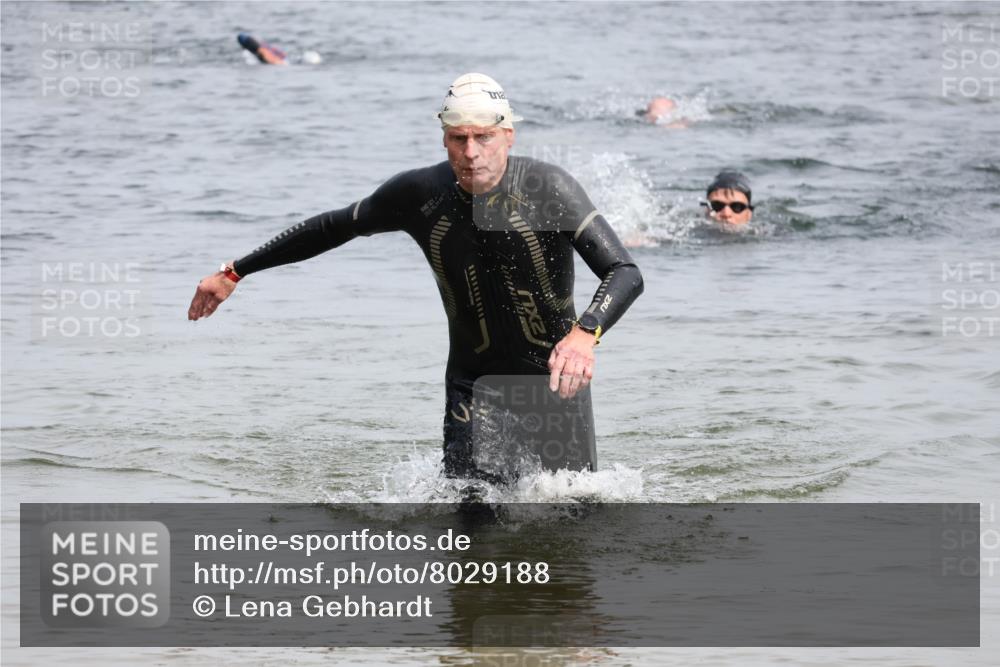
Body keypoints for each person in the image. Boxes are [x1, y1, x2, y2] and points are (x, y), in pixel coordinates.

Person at [187, 73, 643, 484]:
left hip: (554, 385)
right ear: (444, 139)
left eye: (483, 137)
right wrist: (235, 271)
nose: (471, 153)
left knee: (574, 521)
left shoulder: (548, 189)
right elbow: (332, 227)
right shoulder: (420, 194)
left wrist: (585, 334)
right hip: (472, 387)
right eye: (458, 138)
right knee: (469, 524)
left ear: (508, 135)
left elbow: (624, 271)